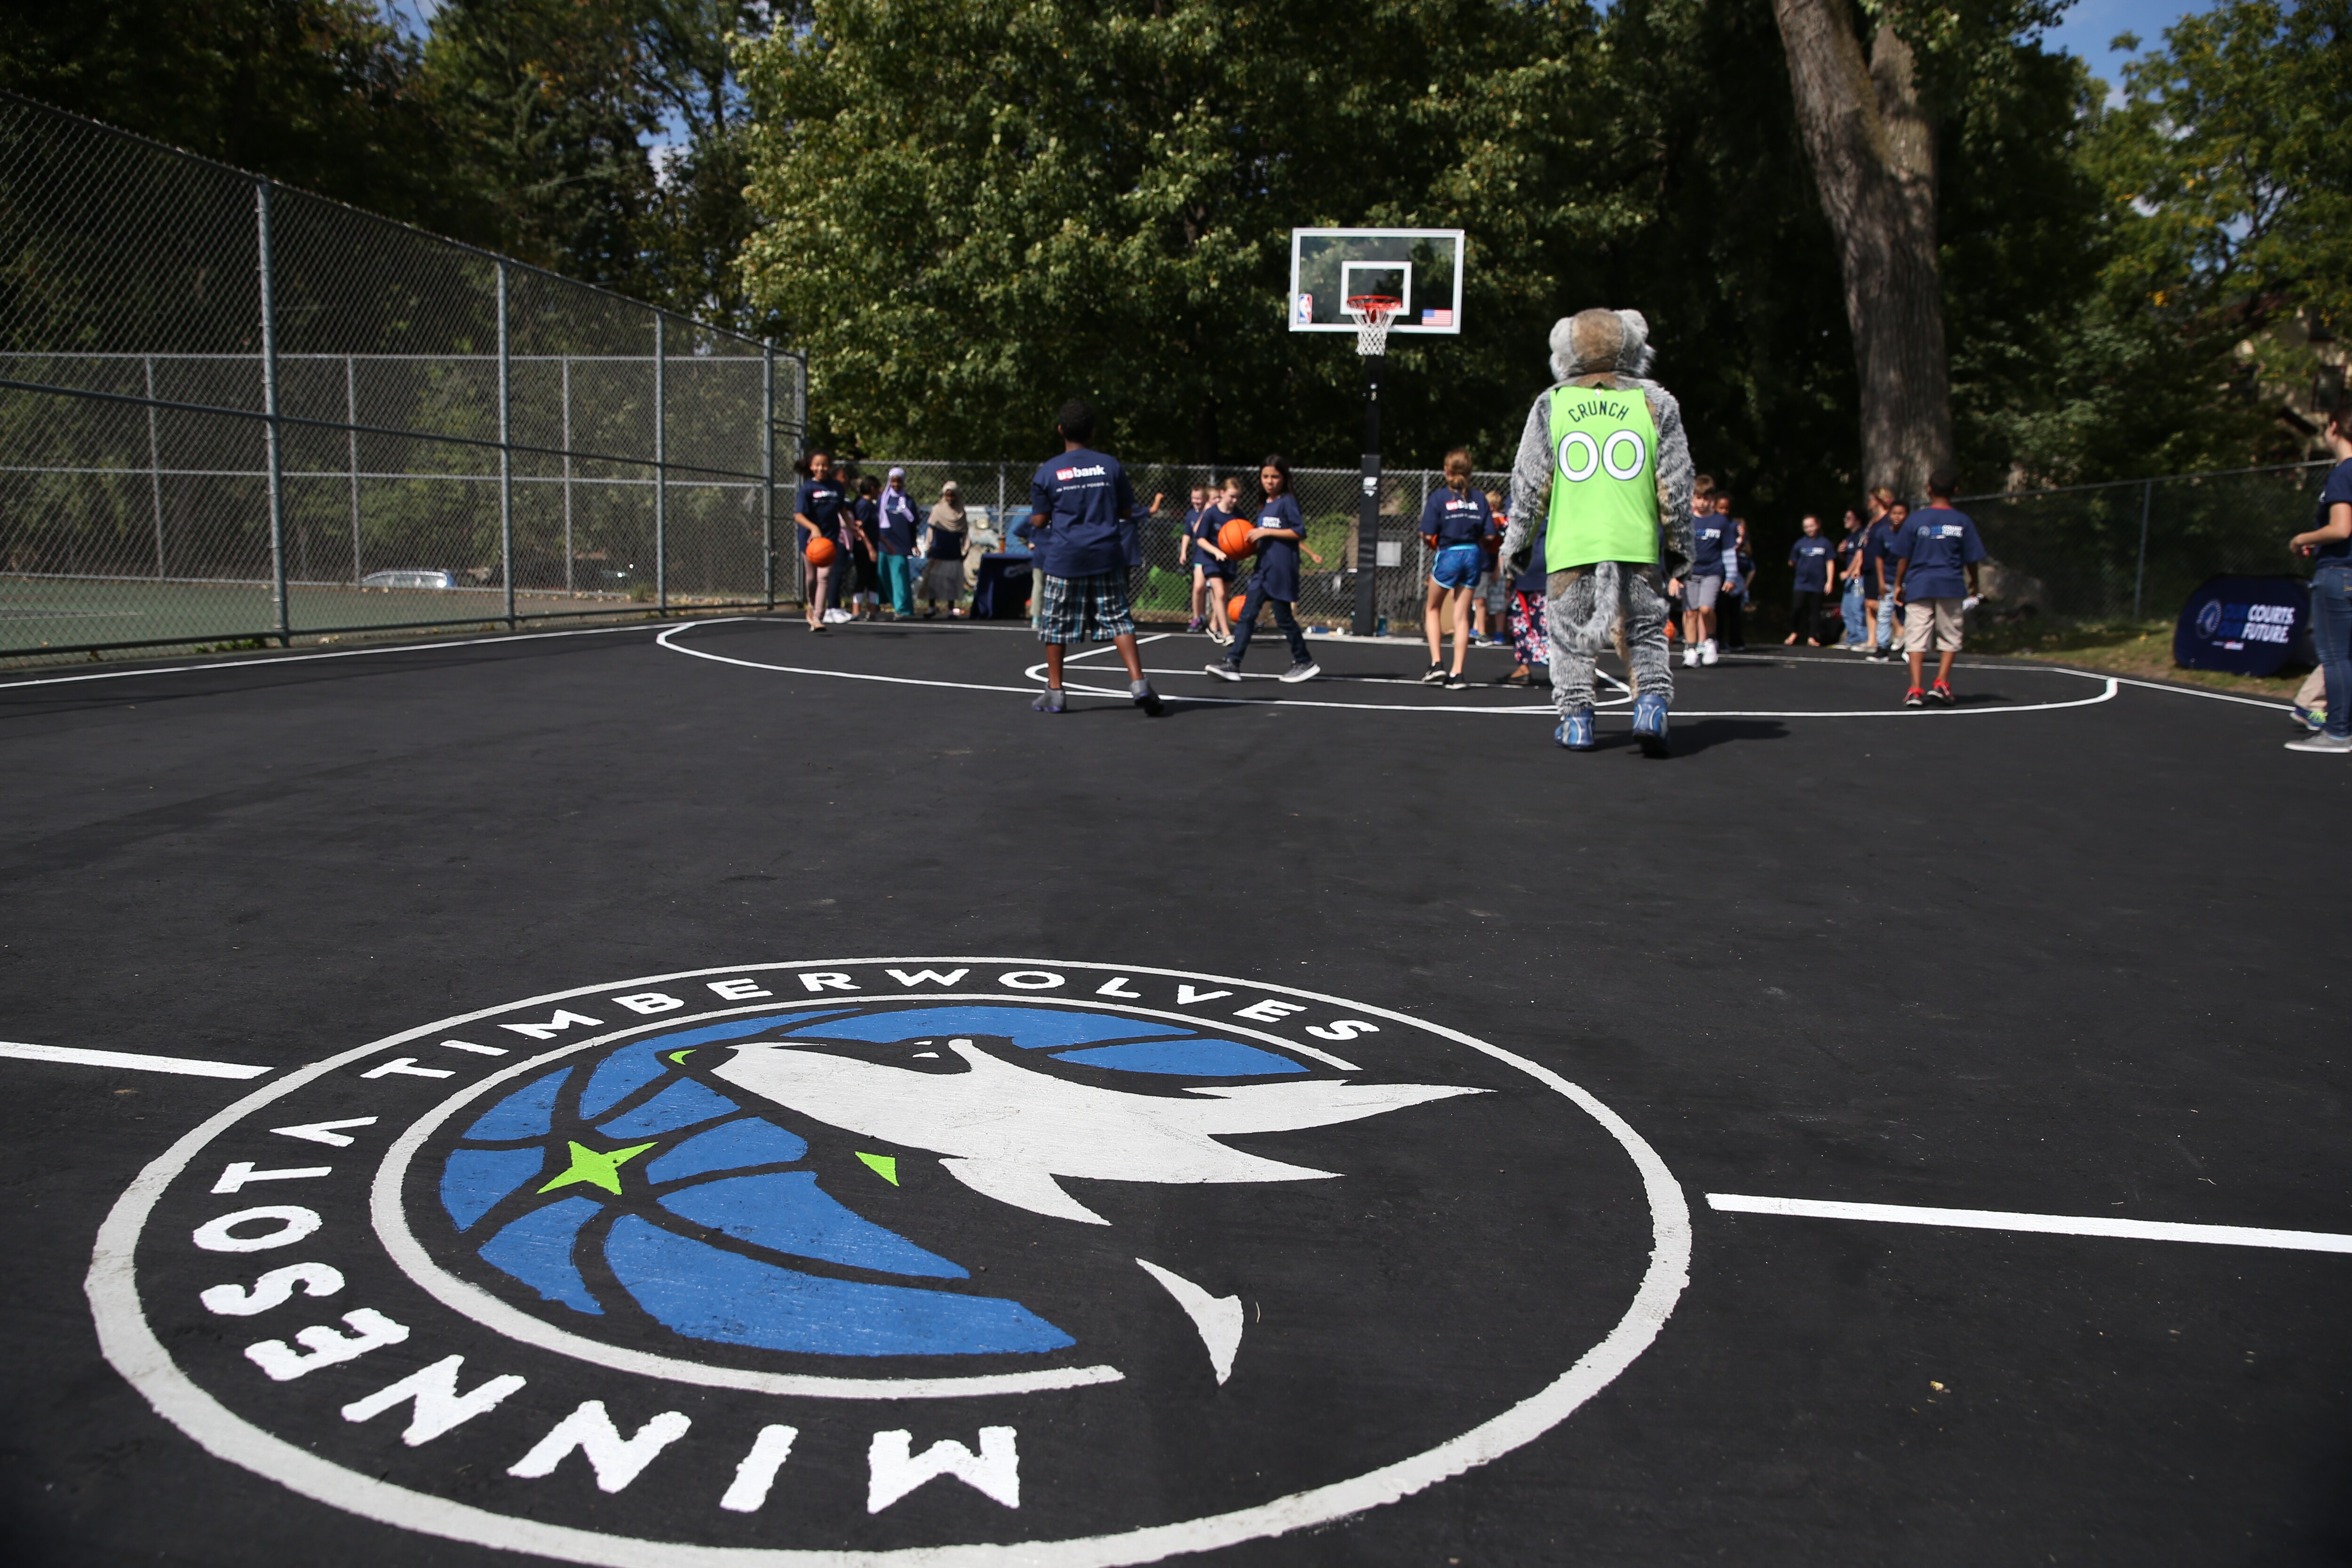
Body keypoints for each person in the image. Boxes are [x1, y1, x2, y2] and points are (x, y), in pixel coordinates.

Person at [1499, 307, 1693, 756]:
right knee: (1645, 630)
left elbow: (1530, 485)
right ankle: (1650, 707)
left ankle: (1577, 719)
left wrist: (1517, 545)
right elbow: (1677, 483)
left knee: (1568, 636)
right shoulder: (1656, 402)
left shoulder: (1552, 402)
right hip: (1636, 541)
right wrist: (1682, 545)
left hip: (1573, 544)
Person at [1025, 399, 1164, 716]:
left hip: (1065, 559)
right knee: (1119, 618)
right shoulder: (1109, 465)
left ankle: (1056, 691)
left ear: (1061, 430)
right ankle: (1139, 683)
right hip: (1106, 555)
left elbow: (1038, 521)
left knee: (1055, 624)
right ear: (1093, 432)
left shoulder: (1048, 471)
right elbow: (1127, 511)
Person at [1207, 456, 1321, 685]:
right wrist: (1245, 544)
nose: (1270, 481)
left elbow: (1299, 532)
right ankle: (1233, 663)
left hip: (1281, 568)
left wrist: (1266, 532)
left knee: (1283, 618)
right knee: (1248, 614)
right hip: (1264, 568)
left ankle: (1304, 660)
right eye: (1266, 476)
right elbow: (1260, 536)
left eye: (1275, 477)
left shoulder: (1288, 502)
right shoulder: (1266, 503)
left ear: (1284, 478)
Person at [1887, 470, 1986, 707]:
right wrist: (1974, 582)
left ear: (1928, 489)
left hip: (1920, 584)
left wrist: (1899, 583)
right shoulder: (1963, 521)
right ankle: (1941, 682)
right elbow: (1972, 558)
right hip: (1951, 584)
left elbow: (1904, 556)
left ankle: (1915, 689)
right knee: (1950, 635)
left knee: (1916, 635)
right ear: (1956, 491)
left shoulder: (1915, 520)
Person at [2286, 406, 2352, 752]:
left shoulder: (2344, 473)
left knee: (2337, 657)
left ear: (2335, 428)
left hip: (2340, 572)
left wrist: (2303, 539)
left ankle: (2337, 731)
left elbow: (2341, 528)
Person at [1417, 450, 1495, 689]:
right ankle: (1458, 673)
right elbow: (1491, 534)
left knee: (1433, 608)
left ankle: (1437, 664)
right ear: (1470, 472)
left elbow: (1427, 534)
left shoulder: (1440, 498)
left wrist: (1434, 544)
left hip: (1450, 552)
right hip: (1473, 553)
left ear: (1446, 471)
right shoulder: (1480, 499)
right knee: (1462, 616)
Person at [1681, 488, 1739, 667]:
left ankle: (1710, 641)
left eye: (1706, 498)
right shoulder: (1686, 521)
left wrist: (1731, 577)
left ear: (1712, 500)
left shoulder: (1721, 522)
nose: (1702, 502)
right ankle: (1691, 651)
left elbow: (1728, 550)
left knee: (1706, 609)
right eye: (1698, 498)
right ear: (1692, 499)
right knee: (1691, 612)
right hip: (1690, 573)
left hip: (1712, 572)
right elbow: (1677, 549)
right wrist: (1675, 575)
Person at [793, 449, 848, 633]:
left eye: (824, 465)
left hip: (829, 539)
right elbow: (799, 515)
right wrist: (814, 528)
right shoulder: (808, 488)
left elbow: (842, 510)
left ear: (830, 467)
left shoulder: (837, 488)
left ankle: (818, 617)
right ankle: (811, 604)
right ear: (811, 466)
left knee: (824, 576)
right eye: (817, 464)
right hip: (810, 539)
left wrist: (853, 527)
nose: (821, 468)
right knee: (811, 578)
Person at [1503, 519, 1550, 686]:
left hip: (1527, 565)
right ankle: (1566, 667)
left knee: (1521, 619)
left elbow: (1511, 533)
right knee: (1552, 619)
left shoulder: (1520, 500)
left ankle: (1524, 667)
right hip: (1552, 562)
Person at [1861, 486, 1899, 660]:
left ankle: (1899, 628)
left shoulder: (1886, 521)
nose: (1868, 503)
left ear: (1879, 499)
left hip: (1881, 568)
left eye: (1871, 499)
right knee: (1869, 604)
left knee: (1878, 604)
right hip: (1867, 565)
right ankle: (1873, 640)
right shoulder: (1873, 521)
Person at [921, 482, 968, 618]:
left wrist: (965, 550)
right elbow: (931, 529)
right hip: (938, 550)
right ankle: (931, 608)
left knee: (951, 582)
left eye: (953, 496)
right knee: (933, 581)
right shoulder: (937, 510)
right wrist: (928, 546)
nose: (950, 499)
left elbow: (965, 532)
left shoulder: (960, 512)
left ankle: (950, 610)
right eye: (948, 496)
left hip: (953, 552)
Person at [877, 467, 919, 619]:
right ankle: (881, 604)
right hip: (883, 543)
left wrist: (914, 544)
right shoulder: (882, 500)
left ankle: (902, 609)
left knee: (899, 578)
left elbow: (913, 524)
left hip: (900, 545)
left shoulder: (908, 501)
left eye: (899, 481)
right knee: (883, 576)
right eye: (893, 481)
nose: (896, 484)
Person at [1786, 514, 1832, 646]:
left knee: (1815, 611)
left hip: (1818, 583)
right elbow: (1792, 562)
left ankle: (1812, 637)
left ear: (1818, 526)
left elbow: (1830, 562)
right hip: (1801, 582)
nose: (1809, 529)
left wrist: (1830, 581)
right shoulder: (1800, 543)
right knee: (1797, 608)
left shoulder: (1825, 543)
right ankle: (1794, 632)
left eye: (1811, 526)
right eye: (1806, 527)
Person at [1179, 486, 1217, 633]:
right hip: (1199, 556)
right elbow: (1191, 533)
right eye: (1193, 498)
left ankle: (1216, 620)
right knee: (1198, 588)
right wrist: (1183, 552)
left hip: (1213, 556)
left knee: (1215, 590)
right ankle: (1198, 617)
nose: (1195, 502)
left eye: (1199, 499)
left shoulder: (1213, 514)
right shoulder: (1191, 515)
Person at [849, 476, 883, 621]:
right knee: (863, 577)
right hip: (863, 548)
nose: (880, 492)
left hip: (873, 546)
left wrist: (886, 544)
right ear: (872, 488)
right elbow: (860, 529)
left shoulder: (872, 505)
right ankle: (856, 611)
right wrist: (870, 549)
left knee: (872, 579)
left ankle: (872, 611)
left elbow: (873, 529)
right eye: (878, 488)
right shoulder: (862, 505)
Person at [1834, 507, 1867, 650]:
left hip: (1858, 576)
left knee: (1857, 607)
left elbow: (1860, 555)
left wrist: (1848, 572)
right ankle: (1852, 637)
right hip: (1850, 577)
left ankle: (1863, 638)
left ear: (1858, 520)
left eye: (1849, 518)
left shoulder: (1862, 534)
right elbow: (1848, 556)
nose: (1845, 521)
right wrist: (1841, 552)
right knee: (1846, 608)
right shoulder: (1850, 537)